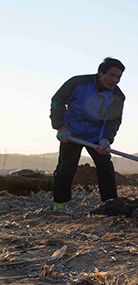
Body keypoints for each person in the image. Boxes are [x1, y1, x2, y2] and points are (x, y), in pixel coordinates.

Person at [50, 57, 126, 212]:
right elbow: (57, 101)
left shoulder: (117, 96)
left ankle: (110, 203)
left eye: (118, 77)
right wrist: (60, 126)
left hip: (96, 136)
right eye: (111, 75)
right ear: (100, 72)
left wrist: (106, 139)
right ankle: (60, 204)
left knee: (105, 167)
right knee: (66, 168)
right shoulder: (78, 83)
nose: (115, 80)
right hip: (72, 133)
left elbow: (113, 120)